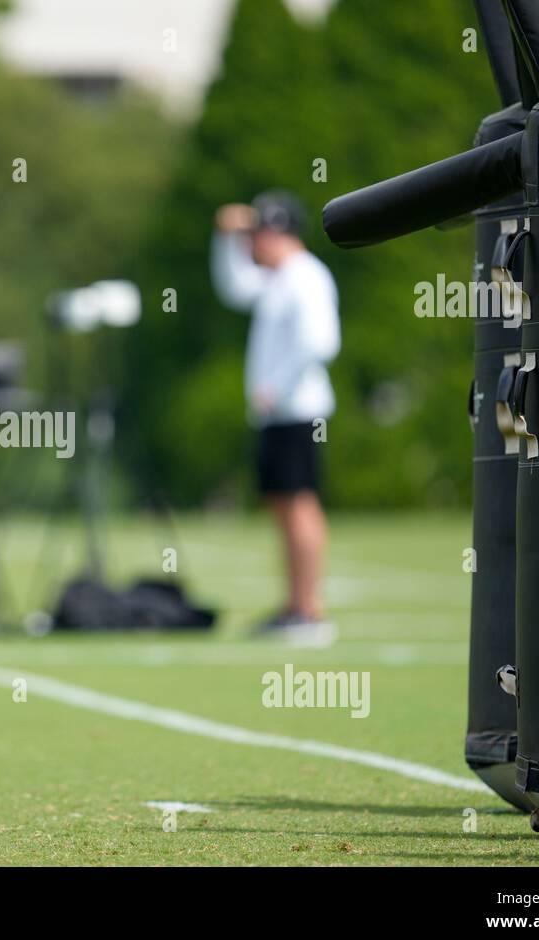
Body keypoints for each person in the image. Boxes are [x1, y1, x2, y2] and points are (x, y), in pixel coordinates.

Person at [212, 190, 339, 643]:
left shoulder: (307, 277)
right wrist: (224, 239)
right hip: (277, 414)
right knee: (282, 504)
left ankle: (311, 610)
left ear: (279, 232)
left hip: (299, 410)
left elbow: (321, 342)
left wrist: (277, 386)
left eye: (257, 234)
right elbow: (232, 287)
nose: (252, 244)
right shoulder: (277, 279)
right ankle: (294, 605)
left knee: (300, 503)